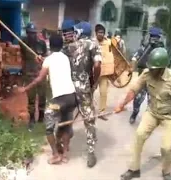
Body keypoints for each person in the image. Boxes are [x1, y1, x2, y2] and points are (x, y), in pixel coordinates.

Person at [115, 47, 171, 180]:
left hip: (170, 116)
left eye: (154, 69)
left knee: (166, 148)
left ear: (162, 68)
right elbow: (133, 90)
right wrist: (121, 105)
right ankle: (134, 169)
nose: (151, 70)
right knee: (139, 136)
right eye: (150, 67)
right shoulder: (146, 73)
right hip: (152, 112)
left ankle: (166, 171)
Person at [18, 33, 77, 164]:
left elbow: (39, 78)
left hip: (59, 101)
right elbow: (53, 62)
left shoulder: (49, 60)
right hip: (72, 98)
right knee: (66, 124)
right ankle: (65, 154)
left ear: (50, 44)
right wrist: (43, 60)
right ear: (61, 45)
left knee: (49, 127)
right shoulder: (65, 58)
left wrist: (25, 89)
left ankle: (56, 154)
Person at [61, 20, 102, 168]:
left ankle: (63, 145)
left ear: (79, 32)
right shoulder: (93, 45)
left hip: (68, 88)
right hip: (84, 88)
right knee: (89, 119)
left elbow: (56, 61)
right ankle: (91, 152)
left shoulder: (69, 47)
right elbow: (97, 65)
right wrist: (93, 82)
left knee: (66, 115)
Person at [129, 27, 165, 124]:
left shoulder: (161, 49)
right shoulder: (144, 47)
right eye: (153, 37)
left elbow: (165, 64)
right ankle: (134, 114)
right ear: (149, 36)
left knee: (152, 102)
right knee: (137, 100)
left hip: (154, 80)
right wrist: (132, 68)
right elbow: (134, 58)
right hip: (143, 79)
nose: (154, 39)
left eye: (156, 37)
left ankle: (148, 120)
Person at [20, 22, 48, 131]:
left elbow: (46, 56)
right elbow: (22, 56)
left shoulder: (42, 43)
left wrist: (42, 57)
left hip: (40, 73)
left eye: (34, 33)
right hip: (29, 74)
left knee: (42, 97)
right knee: (31, 98)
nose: (32, 35)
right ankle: (32, 119)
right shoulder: (23, 42)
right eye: (30, 33)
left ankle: (41, 117)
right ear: (27, 33)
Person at [94, 24, 115, 119]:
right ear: (96, 33)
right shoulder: (92, 43)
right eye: (99, 32)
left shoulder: (109, 43)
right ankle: (86, 110)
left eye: (102, 33)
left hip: (104, 73)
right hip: (93, 73)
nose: (101, 34)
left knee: (104, 93)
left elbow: (116, 53)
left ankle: (101, 113)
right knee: (89, 92)